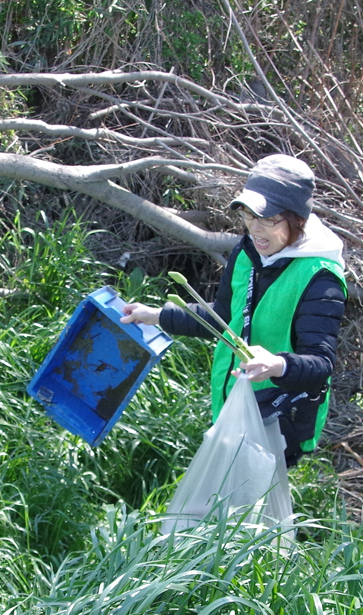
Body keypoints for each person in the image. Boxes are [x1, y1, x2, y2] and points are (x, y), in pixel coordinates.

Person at [121, 154, 347, 468]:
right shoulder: (249, 252)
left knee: (253, 510)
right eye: (249, 216)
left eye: (268, 219)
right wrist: (157, 315)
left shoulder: (320, 277)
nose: (256, 228)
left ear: (298, 220)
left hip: (278, 416)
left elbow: (321, 362)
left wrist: (277, 364)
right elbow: (226, 316)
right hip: (233, 403)